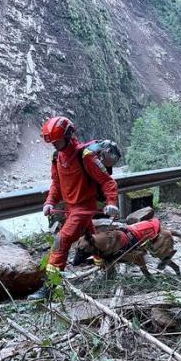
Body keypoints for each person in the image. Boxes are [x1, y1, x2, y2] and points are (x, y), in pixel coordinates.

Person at [29, 117, 120, 299]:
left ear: (69, 135)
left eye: (58, 141)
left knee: (60, 241)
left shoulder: (85, 156)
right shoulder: (57, 157)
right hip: (72, 208)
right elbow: (56, 183)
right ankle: (108, 270)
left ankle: (50, 287)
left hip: (83, 208)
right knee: (91, 239)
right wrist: (49, 202)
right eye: (53, 142)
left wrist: (111, 203)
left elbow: (107, 181)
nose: (55, 145)